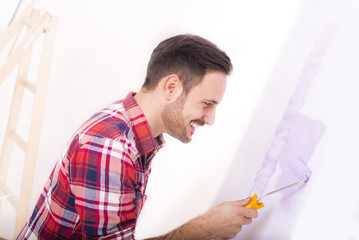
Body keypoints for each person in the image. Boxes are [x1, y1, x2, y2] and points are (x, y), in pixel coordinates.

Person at [17, 34, 258, 240]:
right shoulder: (112, 146)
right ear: (171, 87)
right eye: (207, 104)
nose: (210, 119)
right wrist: (204, 227)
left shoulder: (130, 128)